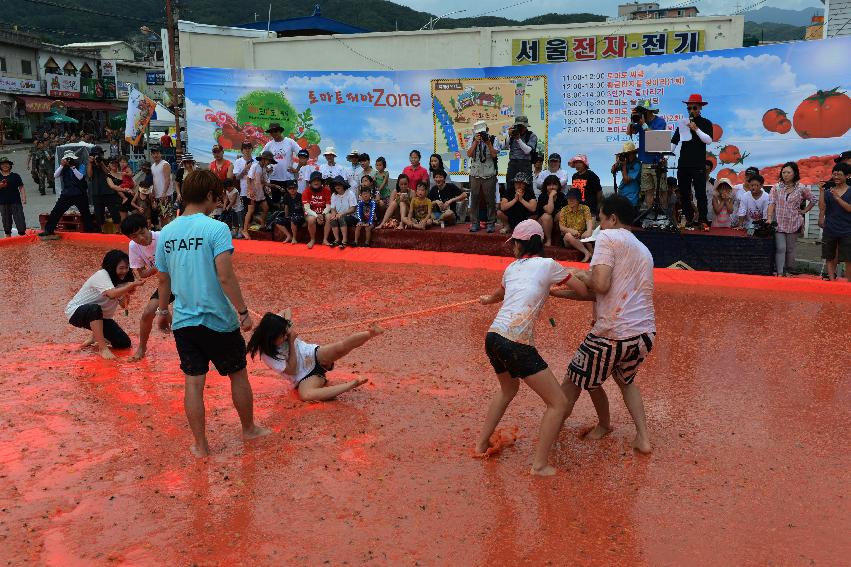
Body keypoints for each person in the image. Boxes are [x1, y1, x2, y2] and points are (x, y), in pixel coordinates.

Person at [154, 169, 270, 457]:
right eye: (215, 197)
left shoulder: (167, 232)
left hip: (184, 320)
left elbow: (163, 280)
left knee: (194, 382)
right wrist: (243, 312)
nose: (216, 203)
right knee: (238, 375)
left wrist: (161, 311)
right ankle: (249, 429)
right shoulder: (216, 229)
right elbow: (225, 277)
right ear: (208, 196)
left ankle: (201, 445)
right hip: (218, 319)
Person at [477, 219, 586, 476]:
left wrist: (487, 300)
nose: (513, 247)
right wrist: (557, 287)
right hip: (515, 341)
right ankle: (539, 465)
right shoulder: (549, 265)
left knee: (508, 389)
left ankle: (481, 444)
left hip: (493, 337)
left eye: (514, 243)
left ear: (522, 243)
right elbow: (581, 290)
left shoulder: (512, 267)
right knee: (558, 403)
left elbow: (497, 295)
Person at [551, 194, 656, 454]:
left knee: (572, 379)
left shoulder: (608, 238)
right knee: (625, 381)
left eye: (600, 218)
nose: (599, 223)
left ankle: (549, 433)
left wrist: (578, 274)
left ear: (612, 218)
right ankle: (642, 438)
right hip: (643, 333)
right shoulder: (642, 249)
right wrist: (554, 291)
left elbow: (598, 284)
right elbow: (599, 293)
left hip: (612, 333)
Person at [248, 310, 381, 401]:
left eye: (284, 333)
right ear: (270, 338)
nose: (284, 337)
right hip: (304, 377)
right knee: (305, 395)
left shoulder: (276, 326)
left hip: (312, 354)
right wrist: (291, 341)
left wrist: (287, 326)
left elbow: (286, 311)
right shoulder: (267, 355)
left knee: (341, 347)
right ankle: (351, 384)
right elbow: (292, 369)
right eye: (281, 336)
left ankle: (370, 333)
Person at [65, 249, 145, 360]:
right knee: (94, 308)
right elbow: (111, 294)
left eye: (127, 268)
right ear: (112, 267)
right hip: (76, 312)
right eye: (121, 268)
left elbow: (123, 305)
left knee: (123, 343)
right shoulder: (101, 275)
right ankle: (103, 348)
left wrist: (127, 292)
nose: (125, 271)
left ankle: (95, 336)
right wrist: (129, 286)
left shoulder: (121, 281)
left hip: (101, 318)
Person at [119, 214, 174, 361]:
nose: (141, 238)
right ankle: (142, 348)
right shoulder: (133, 246)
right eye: (135, 236)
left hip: (185, 280)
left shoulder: (164, 236)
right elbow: (142, 273)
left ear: (148, 225)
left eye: (142, 232)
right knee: (147, 313)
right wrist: (158, 266)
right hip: (166, 283)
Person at [671, 94, 713, 227]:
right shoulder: (683, 123)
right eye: (689, 108)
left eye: (694, 108)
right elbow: (674, 141)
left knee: (700, 193)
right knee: (684, 193)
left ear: (700, 108)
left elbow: (709, 140)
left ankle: (702, 219)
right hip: (683, 163)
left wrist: (696, 129)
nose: (691, 111)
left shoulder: (706, 122)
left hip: (698, 164)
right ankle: (688, 218)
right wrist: (665, 155)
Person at [767, 162, 814, 276]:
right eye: (783, 172)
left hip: (794, 223)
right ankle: (779, 272)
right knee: (781, 248)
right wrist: (769, 218)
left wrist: (804, 211)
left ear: (795, 173)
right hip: (779, 223)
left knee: (790, 249)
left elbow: (813, 199)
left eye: (788, 172)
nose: (785, 175)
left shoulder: (801, 188)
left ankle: (789, 270)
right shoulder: (776, 187)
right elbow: (771, 203)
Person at [39, 151, 97, 237]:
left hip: (79, 193)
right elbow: (55, 175)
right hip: (67, 193)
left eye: (71, 159)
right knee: (56, 211)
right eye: (67, 159)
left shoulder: (81, 165)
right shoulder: (63, 167)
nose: (69, 160)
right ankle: (49, 230)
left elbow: (80, 177)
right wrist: (62, 165)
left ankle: (89, 231)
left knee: (85, 213)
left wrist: (73, 167)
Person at [626, 100, 667, 208]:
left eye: (642, 111)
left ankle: (664, 216)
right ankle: (649, 215)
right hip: (644, 162)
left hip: (658, 161)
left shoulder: (660, 121)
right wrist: (631, 120)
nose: (641, 113)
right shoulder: (640, 122)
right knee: (648, 191)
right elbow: (629, 132)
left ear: (649, 111)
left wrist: (643, 124)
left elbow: (656, 138)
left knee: (662, 191)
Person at [818, 162, 851, 281]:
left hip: (847, 229)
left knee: (848, 258)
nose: (836, 177)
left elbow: (849, 208)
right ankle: (832, 280)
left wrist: (837, 197)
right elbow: (822, 208)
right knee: (829, 256)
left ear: (848, 176)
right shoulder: (828, 192)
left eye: (839, 174)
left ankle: (849, 283)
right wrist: (821, 192)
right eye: (834, 174)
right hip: (830, 228)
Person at [466, 120, 500, 233]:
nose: (480, 134)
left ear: (487, 130)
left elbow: (494, 154)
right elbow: (469, 154)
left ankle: (491, 223)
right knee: (474, 199)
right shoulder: (472, 139)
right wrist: (475, 142)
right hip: (475, 173)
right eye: (478, 132)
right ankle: (475, 223)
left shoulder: (494, 139)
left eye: (482, 132)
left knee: (490, 199)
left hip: (489, 173)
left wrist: (488, 142)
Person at [262, 122, 300, 204]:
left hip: (288, 178)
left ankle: (289, 216)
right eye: (271, 132)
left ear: (280, 131)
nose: (274, 133)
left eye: (276, 131)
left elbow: (303, 155)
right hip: (274, 178)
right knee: (276, 202)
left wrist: (297, 169)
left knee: (290, 202)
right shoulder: (269, 145)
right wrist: (266, 168)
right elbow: (261, 158)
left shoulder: (290, 142)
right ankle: (277, 217)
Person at [88, 147, 122, 231]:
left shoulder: (106, 161)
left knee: (114, 213)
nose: (99, 156)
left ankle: (118, 231)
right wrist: (90, 163)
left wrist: (101, 163)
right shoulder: (90, 164)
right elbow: (89, 175)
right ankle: (102, 232)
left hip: (108, 192)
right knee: (99, 214)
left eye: (100, 154)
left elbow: (108, 173)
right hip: (96, 192)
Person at [243, 150, 274, 239]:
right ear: (263, 159)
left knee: (265, 208)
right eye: (268, 161)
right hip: (253, 193)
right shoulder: (255, 166)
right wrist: (250, 190)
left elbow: (262, 181)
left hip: (260, 192)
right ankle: (245, 230)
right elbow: (248, 179)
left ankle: (262, 225)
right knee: (250, 211)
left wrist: (273, 186)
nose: (269, 163)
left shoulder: (263, 168)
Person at [558, 189, 594, 262]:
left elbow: (589, 221)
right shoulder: (564, 210)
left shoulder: (585, 208)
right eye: (569, 198)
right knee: (568, 235)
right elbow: (561, 227)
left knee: (590, 233)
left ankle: (593, 255)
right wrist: (571, 231)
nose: (570, 200)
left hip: (582, 236)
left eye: (573, 198)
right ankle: (586, 253)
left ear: (578, 200)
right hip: (569, 239)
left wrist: (589, 231)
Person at [503, 115, 537, 187]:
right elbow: (504, 147)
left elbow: (527, 151)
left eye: (522, 126)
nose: (520, 128)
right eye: (518, 126)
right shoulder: (512, 134)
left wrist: (518, 139)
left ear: (526, 126)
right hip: (513, 163)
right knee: (510, 185)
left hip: (525, 163)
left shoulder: (531, 135)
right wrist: (508, 136)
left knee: (526, 186)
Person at [302, 170, 333, 248]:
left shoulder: (326, 190)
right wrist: (317, 216)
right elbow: (307, 209)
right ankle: (312, 240)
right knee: (311, 219)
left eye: (318, 180)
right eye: (314, 181)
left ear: (321, 182)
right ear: (311, 182)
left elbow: (328, 206)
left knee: (329, 216)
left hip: (323, 213)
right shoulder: (306, 191)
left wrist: (322, 214)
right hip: (311, 214)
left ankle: (325, 240)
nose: (316, 182)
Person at [535, 174, 567, 247]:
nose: (552, 187)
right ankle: (548, 240)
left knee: (562, 213)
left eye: (554, 185)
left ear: (558, 186)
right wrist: (551, 197)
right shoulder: (542, 196)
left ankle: (559, 238)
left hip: (555, 224)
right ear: (546, 186)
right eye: (549, 185)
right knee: (547, 216)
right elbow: (549, 211)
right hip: (542, 223)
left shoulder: (562, 196)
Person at [328, 175, 357, 248]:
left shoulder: (350, 193)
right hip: (339, 215)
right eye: (335, 185)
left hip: (351, 216)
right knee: (332, 219)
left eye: (339, 184)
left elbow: (353, 209)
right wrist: (334, 214)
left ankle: (344, 241)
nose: (337, 186)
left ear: (343, 185)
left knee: (341, 218)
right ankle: (337, 240)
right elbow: (333, 208)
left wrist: (342, 214)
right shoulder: (334, 195)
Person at [0, 157, 26, 238]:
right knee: (6, 221)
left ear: (10, 165)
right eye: (3, 164)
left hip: (16, 201)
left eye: (7, 164)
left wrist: (24, 197)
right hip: (3, 202)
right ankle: (8, 237)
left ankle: (22, 236)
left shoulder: (15, 176)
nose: (5, 165)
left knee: (20, 219)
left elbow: (21, 187)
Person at [612, 142, 641, 208]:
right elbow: (612, 171)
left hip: (631, 197)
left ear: (634, 153)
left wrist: (623, 165)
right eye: (626, 154)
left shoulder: (637, 164)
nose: (628, 156)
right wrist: (617, 162)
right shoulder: (625, 162)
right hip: (622, 194)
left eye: (630, 153)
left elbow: (626, 180)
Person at [149, 147, 173, 226]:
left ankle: (167, 234)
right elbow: (154, 180)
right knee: (160, 216)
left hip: (165, 195)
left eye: (157, 153)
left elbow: (167, 180)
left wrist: (164, 193)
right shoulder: (152, 166)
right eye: (153, 153)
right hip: (157, 195)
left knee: (166, 216)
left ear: (160, 154)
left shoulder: (165, 164)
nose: (155, 155)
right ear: (151, 155)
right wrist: (152, 192)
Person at [278, 180, 304, 245]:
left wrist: (305, 219)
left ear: (297, 188)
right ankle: (289, 236)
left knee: (293, 219)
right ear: (287, 189)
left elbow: (304, 208)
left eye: (294, 188)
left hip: (299, 216)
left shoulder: (300, 196)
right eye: (290, 188)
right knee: (277, 220)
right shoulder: (286, 196)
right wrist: (286, 217)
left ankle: (294, 238)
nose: (292, 190)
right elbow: (286, 207)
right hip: (290, 216)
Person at [233, 142, 254, 211]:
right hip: (245, 191)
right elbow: (237, 177)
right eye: (245, 148)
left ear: (252, 149)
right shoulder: (238, 161)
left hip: (256, 190)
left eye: (249, 148)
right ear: (242, 150)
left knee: (255, 210)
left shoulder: (256, 160)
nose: (247, 150)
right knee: (247, 210)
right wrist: (245, 169)